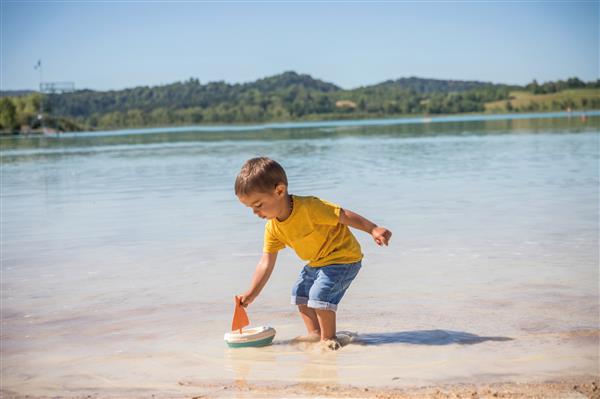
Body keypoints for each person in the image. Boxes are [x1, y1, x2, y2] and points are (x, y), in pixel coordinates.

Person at [235, 157, 392, 349]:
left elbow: (342, 215)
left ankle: (328, 339)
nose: (255, 212)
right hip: (317, 262)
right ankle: (315, 334)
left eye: (258, 205)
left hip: (343, 257)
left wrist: (373, 229)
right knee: (300, 292)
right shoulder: (273, 229)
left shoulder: (310, 207)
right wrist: (252, 294)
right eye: (250, 207)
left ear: (279, 191)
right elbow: (266, 262)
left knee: (319, 295)